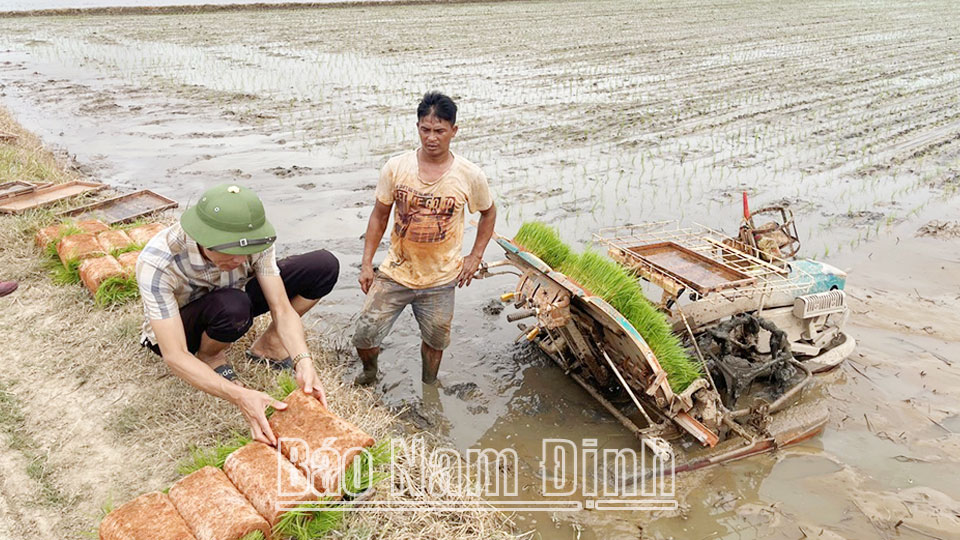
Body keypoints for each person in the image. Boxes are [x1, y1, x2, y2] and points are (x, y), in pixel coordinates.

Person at [135, 184, 339, 445]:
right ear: (203, 240)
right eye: (230, 255)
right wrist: (239, 396)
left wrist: (303, 360)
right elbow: (175, 355)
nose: (241, 261)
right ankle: (210, 356)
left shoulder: (252, 241)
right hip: (185, 325)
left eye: (246, 254)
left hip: (233, 298)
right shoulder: (158, 262)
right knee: (233, 306)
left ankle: (269, 346)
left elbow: (281, 308)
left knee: (322, 266)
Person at [353, 92, 497, 386]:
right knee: (365, 335)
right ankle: (370, 373)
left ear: (453, 131)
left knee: (435, 341)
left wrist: (475, 257)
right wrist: (367, 263)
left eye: (440, 131)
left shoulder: (470, 175)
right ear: (418, 127)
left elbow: (489, 213)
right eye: (425, 129)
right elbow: (379, 215)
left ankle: (429, 385)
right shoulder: (396, 167)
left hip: (441, 279)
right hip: (396, 271)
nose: (432, 138)